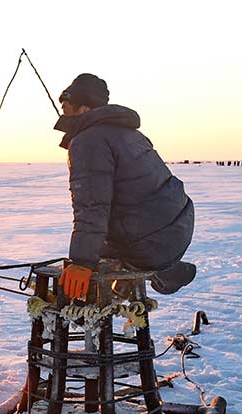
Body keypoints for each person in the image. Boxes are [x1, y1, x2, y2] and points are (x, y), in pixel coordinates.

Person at [53, 73, 196, 300]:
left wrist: (81, 262)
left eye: (66, 108)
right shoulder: (130, 133)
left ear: (83, 108)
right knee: (102, 243)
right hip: (177, 229)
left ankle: (95, 301)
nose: (63, 114)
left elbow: (91, 206)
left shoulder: (88, 141)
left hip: (149, 241)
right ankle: (162, 269)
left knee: (89, 257)